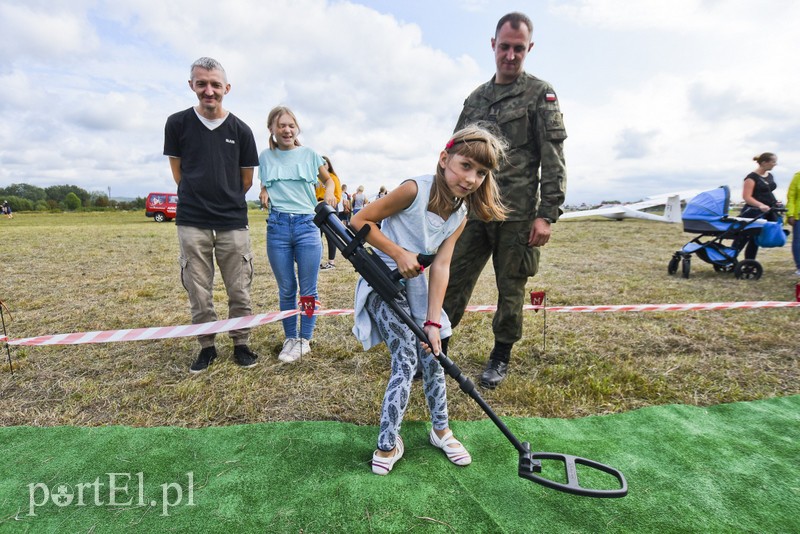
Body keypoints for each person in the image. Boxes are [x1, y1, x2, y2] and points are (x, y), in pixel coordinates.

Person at [351, 125, 507, 475]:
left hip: (420, 290)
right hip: (382, 284)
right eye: (465, 165)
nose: (471, 178)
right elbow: (359, 220)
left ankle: (441, 431)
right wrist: (397, 252)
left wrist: (434, 323)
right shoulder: (413, 190)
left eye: (481, 173)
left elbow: (441, 266)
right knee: (406, 357)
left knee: (434, 353)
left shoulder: (460, 215)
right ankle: (387, 443)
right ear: (444, 159)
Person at [442, 12, 567, 389]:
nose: (510, 56)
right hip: (474, 212)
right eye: (505, 47)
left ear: (528, 49)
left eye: (518, 49)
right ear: (492, 45)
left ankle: (500, 356)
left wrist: (547, 215)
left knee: (510, 287)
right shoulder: (476, 98)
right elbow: (454, 152)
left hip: (517, 215)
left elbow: (553, 157)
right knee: (452, 281)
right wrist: (446, 203)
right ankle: (438, 347)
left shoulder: (539, 94)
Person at [163, 57, 260, 373]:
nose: (209, 90)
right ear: (191, 85)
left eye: (215, 84)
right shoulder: (177, 124)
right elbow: (179, 174)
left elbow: (246, 180)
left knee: (239, 289)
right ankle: (207, 347)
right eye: (201, 83)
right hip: (192, 222)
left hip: (233, 223)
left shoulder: (241, 130)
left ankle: (241, 343)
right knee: (199, 291)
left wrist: (225, 200)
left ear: (227, 88)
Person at [259, 106, 336, 363]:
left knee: (308, 290)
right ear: (271, 129)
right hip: (278, 228)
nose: (287, 130)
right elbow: (267, 183)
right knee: (286, 289)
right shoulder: (266, 157)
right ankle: (290, 337)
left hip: (307, 225)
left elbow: (329, 181)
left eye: (291, 125)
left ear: (297, 128)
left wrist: (329, 194)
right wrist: (264, 193)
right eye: (281, 125)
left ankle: (305, 339)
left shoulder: (309, 154)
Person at [738, 153, 781, 260]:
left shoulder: (769, 176)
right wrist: (760, 205)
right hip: (753, 212)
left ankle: (749, 261)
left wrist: (775, 202)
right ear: (764, 163)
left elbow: (767, 192)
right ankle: (730, 258)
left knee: (755, 239)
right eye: (773, 162)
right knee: (744, 237)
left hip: (767, 211)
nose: (775, 164)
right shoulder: (751, 178)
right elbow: (747, 197)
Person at [316, 156, 343, 270]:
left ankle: (331, 262)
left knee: (330, 235)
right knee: (317, 235)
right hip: (317, 208)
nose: (323, 166)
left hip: (329, 207)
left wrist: (328, 201)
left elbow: (337, 196)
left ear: (329, 165)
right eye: (320, 164)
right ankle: (317, 260)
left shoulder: (333, 178)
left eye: (324, 163)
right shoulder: (316, 180)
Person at [785, 170, 800, 275]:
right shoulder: (798, 176)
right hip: (798, 215)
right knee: (798, 242)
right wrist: (790, 214)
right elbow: (791, 197)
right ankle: (799, 267)